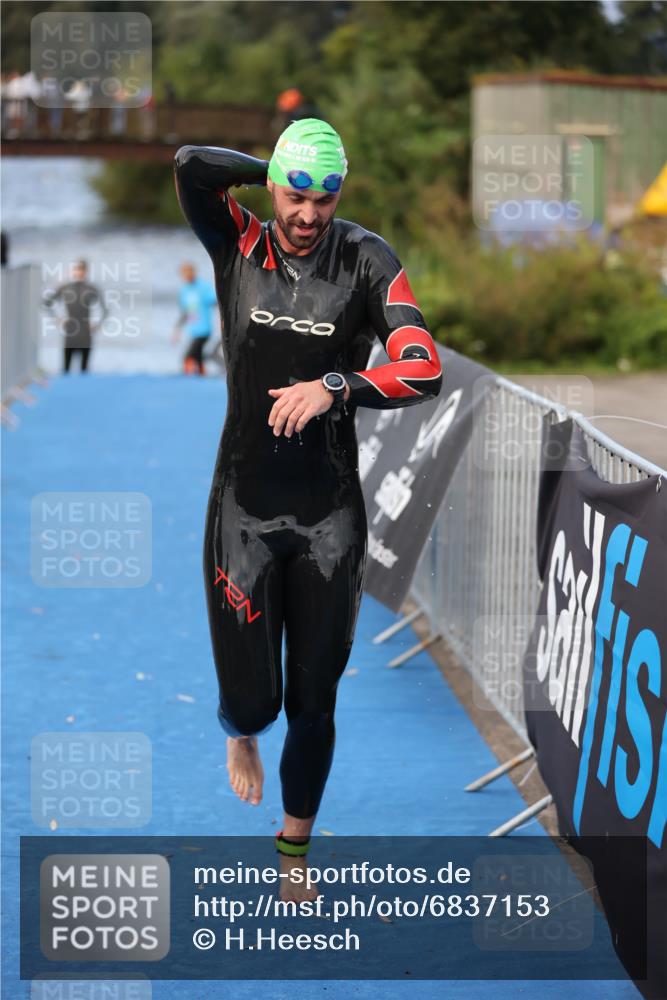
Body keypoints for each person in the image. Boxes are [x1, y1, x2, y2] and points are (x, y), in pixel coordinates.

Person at [173, 119, 442, 900]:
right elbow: (190, 163)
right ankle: (240, 733)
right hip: (243, 512)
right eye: (295, 193)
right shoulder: (237, 242)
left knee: (314, 698)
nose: (307, 214)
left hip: (328, 517)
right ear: (273, 188)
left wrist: (336, 386)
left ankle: (293, 854)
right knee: (254, 702)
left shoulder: (364, 258)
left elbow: (422, 367)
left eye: (325, 197)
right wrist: (276, 165)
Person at [42, 259, 108, 373]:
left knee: (84, 370)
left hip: (85, 332)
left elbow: (105, 310)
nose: (79, 272)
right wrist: (58, 319)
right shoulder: (65, 288)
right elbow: (46, 303)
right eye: (76, 269)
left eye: (81, 269)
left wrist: (97, 324)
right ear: (72, 270)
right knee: (66, 369)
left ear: (86, 271)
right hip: (70, 331)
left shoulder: (91, 289)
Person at [171, 262, 218, 375]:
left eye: (189, 272)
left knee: (188, 356)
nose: (187, 275)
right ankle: (202, 375)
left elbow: (216, 303)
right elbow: (185, 312)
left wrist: (223, 321)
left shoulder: (204, 287)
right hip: (193, 329)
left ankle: (186, 378)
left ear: (193, 272)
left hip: (205, 329)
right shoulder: (184, 291)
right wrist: (177, 329)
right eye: (184, 274)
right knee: (198, 355)